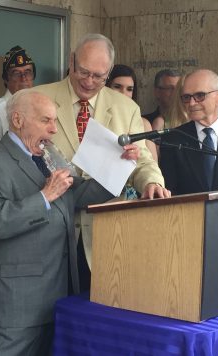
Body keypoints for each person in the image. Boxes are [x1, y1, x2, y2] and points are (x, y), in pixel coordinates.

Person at [0, 90, 113, 356]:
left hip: (59, 290)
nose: (53, 130)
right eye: (46, 121)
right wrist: (44, 196)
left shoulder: (50, 155)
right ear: (17, 120)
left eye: (55, 122)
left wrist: (119, 166)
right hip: (18, 299)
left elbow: (78, 194)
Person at [32, 33, 170, 289]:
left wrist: (152, 182)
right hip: (50, 228)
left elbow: (141, 159)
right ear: (72, 62)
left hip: (104, 232)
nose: (89, 81)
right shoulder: (39, 98)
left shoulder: (125, 108)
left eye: (99, 76)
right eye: (84, 72)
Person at [106, 64, 158, 160]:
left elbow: (152, 164)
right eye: (117, 87)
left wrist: (137, 156)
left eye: (129, 89)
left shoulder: (144, 124)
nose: (123, 93)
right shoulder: (94, 114)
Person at [0, 46, 35, 144]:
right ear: (5, 79)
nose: (23, 78)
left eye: (28, 72)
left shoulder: (38, 105)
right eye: (16, 73)